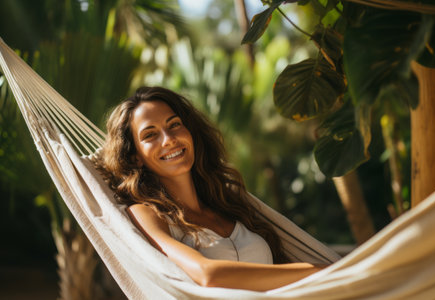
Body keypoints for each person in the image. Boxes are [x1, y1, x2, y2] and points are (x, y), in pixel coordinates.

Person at [99, 86, 327, 291]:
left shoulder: (229, 203)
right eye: (150, 135)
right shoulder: (147, 213)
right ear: (136, 157)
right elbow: (207, 275)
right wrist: (321, 272)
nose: (169, 139)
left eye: (174, 125)